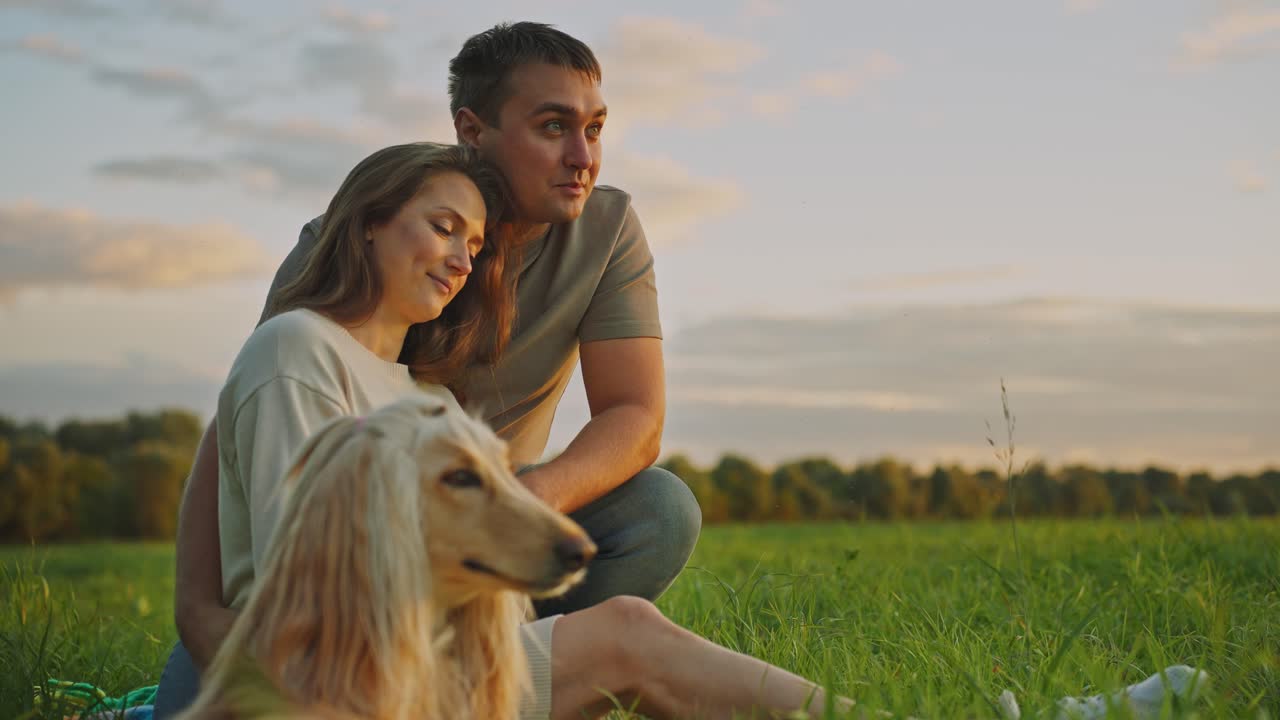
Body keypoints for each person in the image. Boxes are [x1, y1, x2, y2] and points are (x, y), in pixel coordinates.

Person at [155, 140, 851, 720]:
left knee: (624, 625)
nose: (463, 258)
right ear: (369, 221)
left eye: (477, 242)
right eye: (443, 226)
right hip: (339, 680)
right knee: (626, 634)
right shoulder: (299, 347)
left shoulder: (422, 395)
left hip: (431, 662)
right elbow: (308, 575)